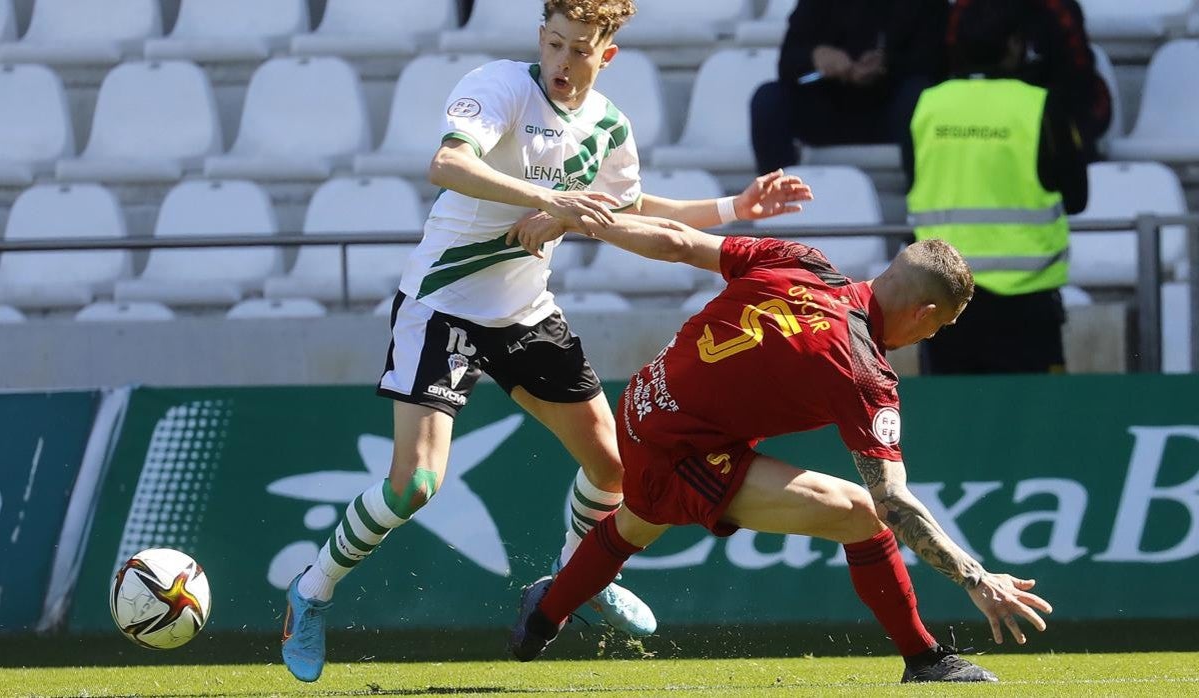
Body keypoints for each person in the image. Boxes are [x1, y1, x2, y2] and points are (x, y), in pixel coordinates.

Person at [280, 0, 816, 682]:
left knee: (615, 466)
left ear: (606, 54)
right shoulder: (501, 86)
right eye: (555, 44)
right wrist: (556, 204)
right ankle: (312, 589)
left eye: (579, 50)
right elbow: (447, 164)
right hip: (443, 307)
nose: (563, 62)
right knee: (415, 484)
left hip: (525, 313)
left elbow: (628, 209)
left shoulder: (608, 127)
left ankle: (573, 578)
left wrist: (735, 209)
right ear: (541, 37)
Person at [506, 215, 1053, 683]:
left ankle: (541, 618)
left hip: (642, 399)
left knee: (637, 523)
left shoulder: (801, 260)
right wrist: (977, 579)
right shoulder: (862, 369)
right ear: (924, 313)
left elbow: (675, 239)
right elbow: (894, 502)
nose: (932, 338)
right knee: (862, 514)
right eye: (941, 326)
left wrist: (576, 219)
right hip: (679, 450)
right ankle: (924, 657)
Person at [906, 0, 1088, 374]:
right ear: (1015, 46)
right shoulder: (1039, 106)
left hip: (943, 297)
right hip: (1026, 306)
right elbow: (1077, 197)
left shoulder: (926, 105)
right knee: (1035, 422)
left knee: (956, 419)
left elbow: (915, 181)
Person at [749, 0, 949, 174]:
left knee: (918, 97)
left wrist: (886, 65)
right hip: (830, 108)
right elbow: (787, 63)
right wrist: (815, 56)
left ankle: (918, 201)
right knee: (768, 99)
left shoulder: (925, 3)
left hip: (891, 111)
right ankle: (778, 206)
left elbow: (935, 64)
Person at [948, 0, 1111, 161]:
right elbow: (953, 79)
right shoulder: (966, 10)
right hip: (979, 127)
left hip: (1046, 126)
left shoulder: (1060, 12)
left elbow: (1082, 89)